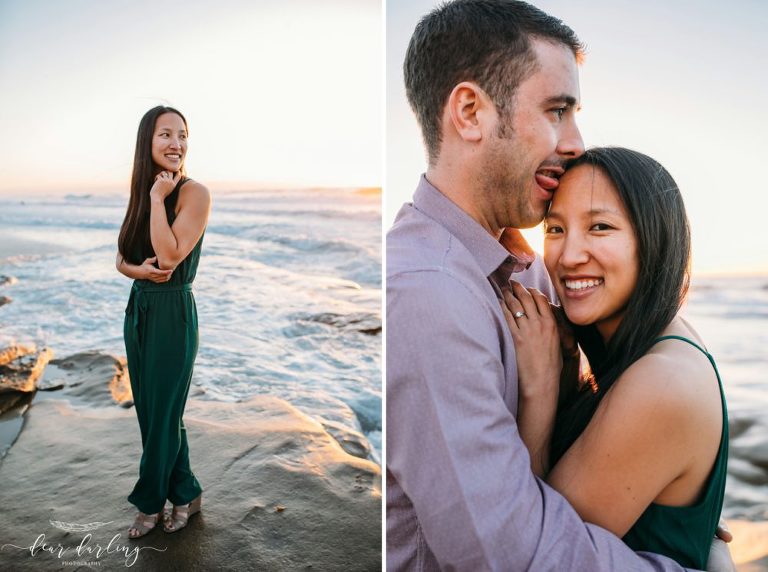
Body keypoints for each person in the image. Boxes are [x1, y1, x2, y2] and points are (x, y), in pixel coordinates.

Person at [386, 1, 732, 569]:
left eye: (598, 226)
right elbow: (507, 554)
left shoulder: (528, 269)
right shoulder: (429, 294)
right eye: (557, 110)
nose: (575, 141)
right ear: (470, 112)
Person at [503, 147, 728, 569]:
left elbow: (535, 554)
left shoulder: (660, 382)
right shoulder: (660, 342)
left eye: (600, 227)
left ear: (653, 238)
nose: (568, 256)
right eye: (554, 229)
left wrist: (541, 387)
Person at [116, 105, 211, 538]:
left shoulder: (194, 193)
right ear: (147, 143)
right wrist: (138, 272)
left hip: (173, 313)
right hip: (139, 309)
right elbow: (121, 257)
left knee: (164, 413)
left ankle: (151, 503)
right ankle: (187, 493)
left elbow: (171, 255)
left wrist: (158, 200)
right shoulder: (141, 191)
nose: (176, 144)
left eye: (182, 135)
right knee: (155, 413)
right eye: (165, 135)